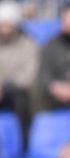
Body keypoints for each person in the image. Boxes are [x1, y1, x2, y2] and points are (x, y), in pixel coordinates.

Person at [0, 1, 39, 135]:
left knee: (21, 100)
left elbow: (29, 73)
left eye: (8, 24)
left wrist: (6, 86)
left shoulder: (28, 43)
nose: (5, 28)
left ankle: (23, 139)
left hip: (16, 90)